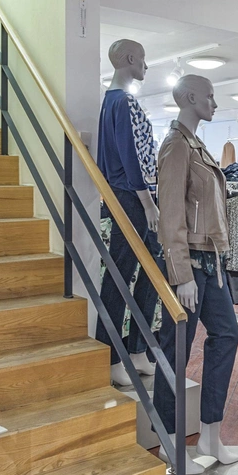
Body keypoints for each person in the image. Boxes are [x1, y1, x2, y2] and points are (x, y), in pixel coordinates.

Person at [154, 74, 238, 475]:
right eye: (210, 96)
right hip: (189, 263)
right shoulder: (176, 145)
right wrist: (181, 272)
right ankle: (169, 443)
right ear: (190, 98)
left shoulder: (196, 145)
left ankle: (210, 433)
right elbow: (170, 213)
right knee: (176, 351)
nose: (214, 103)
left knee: (227, 335)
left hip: (211, 261)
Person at [96, 39, 162, 384]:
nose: (146, 66)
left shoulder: (111, 102)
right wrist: (148, 201)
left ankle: (136, 350)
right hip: (132, 196)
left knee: (148, 269)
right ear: (131, 58)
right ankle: (112, 357)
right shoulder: (123, 102)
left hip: (127, 194)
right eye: (143, 60)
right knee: (121, 274)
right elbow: (131, 156)